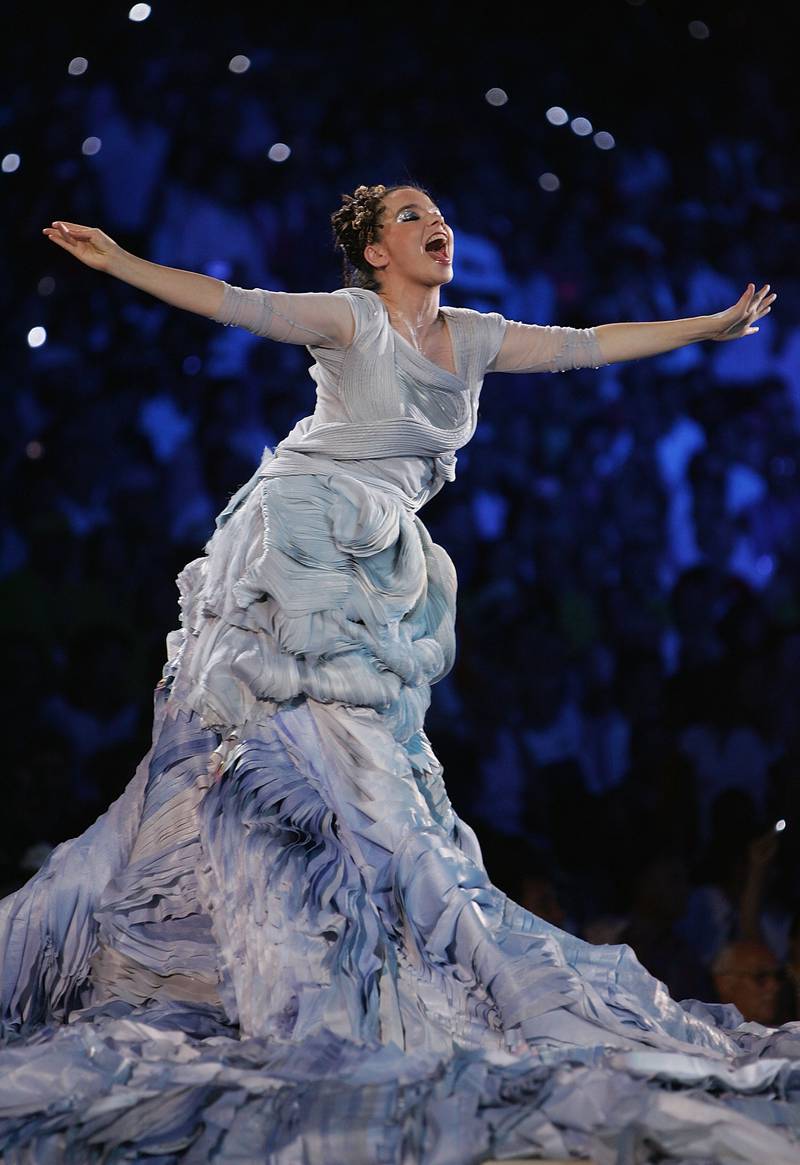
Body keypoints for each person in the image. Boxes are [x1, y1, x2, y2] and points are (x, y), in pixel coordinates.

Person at [0, 183, 794, 1164]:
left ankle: (311, 965)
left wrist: (707, 328)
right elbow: (233, 300)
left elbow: (587, 342)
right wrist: (118, 262)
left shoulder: (471, 333)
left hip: (378, 560)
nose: (436, 225)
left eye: (439, 215)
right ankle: (272, 969)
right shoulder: (350, 320)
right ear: (375, 251)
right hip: (300, 537)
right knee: (299, 767)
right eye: (413, 216)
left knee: (367, 791)